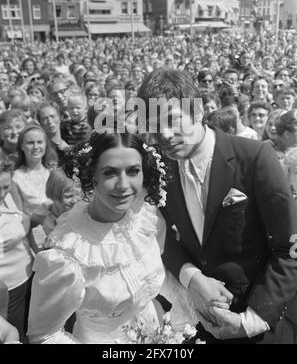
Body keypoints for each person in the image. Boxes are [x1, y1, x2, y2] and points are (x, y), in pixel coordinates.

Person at [138, 69, 297, 344]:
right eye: (153, 126)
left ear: (197, 110)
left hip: (263, 326)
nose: (163, 135)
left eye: (172, 120)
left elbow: (289, 249)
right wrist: (192, 277)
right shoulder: (161, 169)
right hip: (201, 326)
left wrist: (250, 321)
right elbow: (163, 236)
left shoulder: (255, 156)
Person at [27, 131, 197, 344]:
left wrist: (180, 322)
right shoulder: (66, 254)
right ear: (92, 177)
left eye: (133, 171)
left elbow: (153, 276)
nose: (123, 185)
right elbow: (45, 335)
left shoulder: (145, 219)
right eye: (110, 173)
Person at [0, 159, 34, 342]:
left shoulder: (9, 197)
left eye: (6, 187)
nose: (2, 194)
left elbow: (23, 221)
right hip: (7, 294)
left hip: (28, 280)